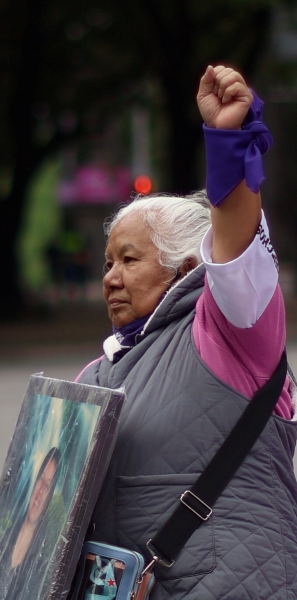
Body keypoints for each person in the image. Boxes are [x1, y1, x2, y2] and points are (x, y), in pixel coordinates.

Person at [75, 65, 297, 599]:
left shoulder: (230, 328)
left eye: (129, 259)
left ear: (183, 269)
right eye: (107, 262)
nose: (111, 278)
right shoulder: (93, 374)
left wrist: (228, 140)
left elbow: (238, 246)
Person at [0, 447, 61, 599]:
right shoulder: (6, 534)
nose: (40, 491)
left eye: (47, 486)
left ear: (50, 497)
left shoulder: (41, 564)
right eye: (41, 479)